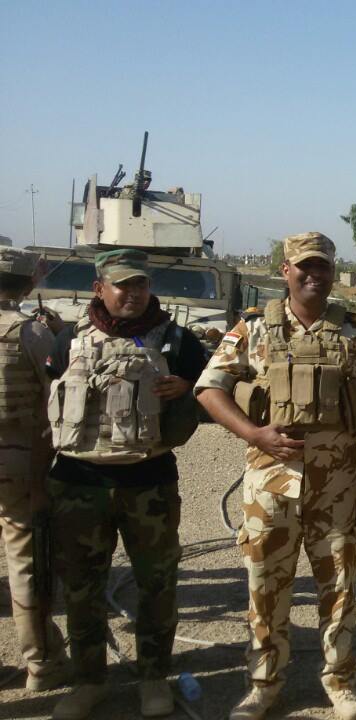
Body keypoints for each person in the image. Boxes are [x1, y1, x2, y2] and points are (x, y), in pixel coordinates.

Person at [195, 232, 356, 720]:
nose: (314, 275)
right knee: (265, 585)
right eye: (305, 266)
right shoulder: (255, 328)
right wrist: (253, 433)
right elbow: (209, 389)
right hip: (270, 484)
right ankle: (264, 684)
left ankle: (340, 680)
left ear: (332, 272)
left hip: (337, 485)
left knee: (339, 587)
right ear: (286, 270)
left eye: (322, 267)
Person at [44, 248, 207, 719]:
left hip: (148, 482)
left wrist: (187, 390)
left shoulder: (177, 341)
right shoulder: (68, 339)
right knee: (81, 587)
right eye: (122, 285)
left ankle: (153, 677)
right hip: (78, 483)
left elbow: (212, 391)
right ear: (99, 288)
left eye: (141, 284)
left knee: (157, 583)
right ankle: (89, 681)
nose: (133, 293)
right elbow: (47, 401)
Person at [0, 248, 69, 692]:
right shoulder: (30, 332)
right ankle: (41, 664)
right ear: (29, 284)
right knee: (25, 560)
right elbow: (58, 394)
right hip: (18, 456)